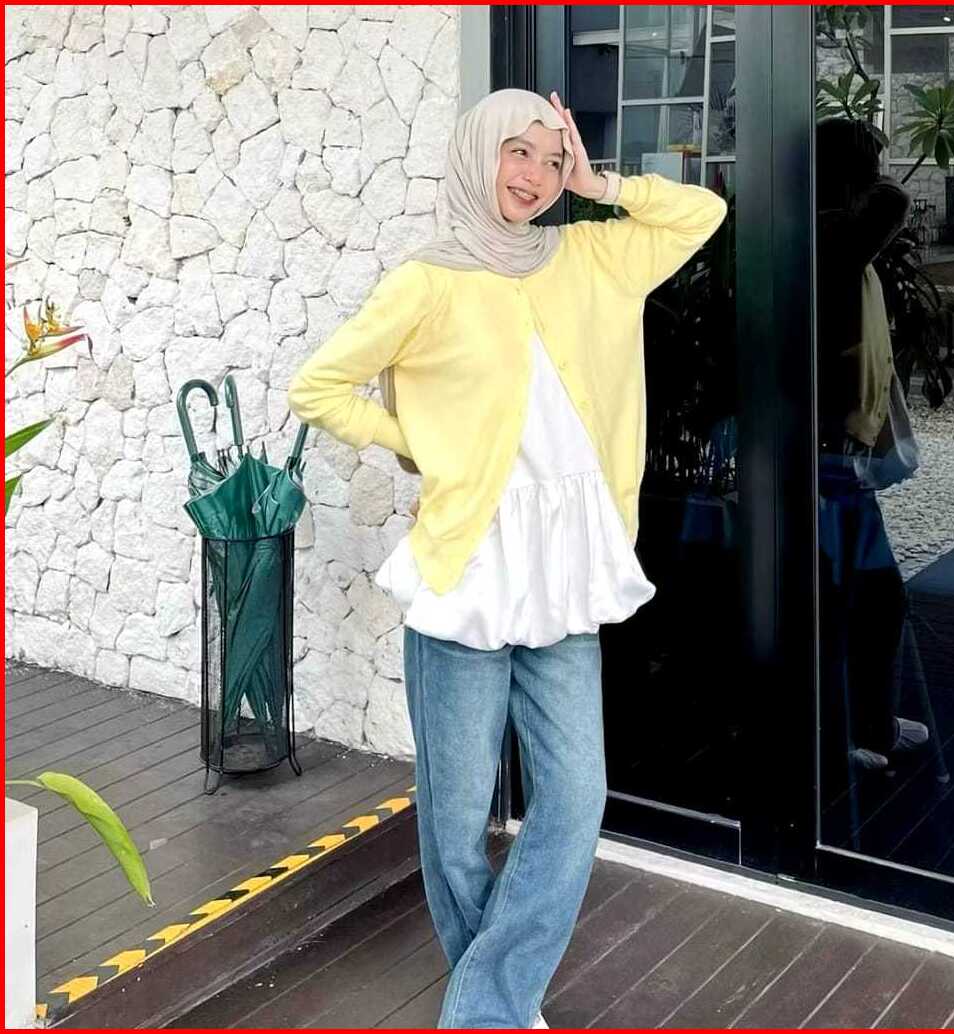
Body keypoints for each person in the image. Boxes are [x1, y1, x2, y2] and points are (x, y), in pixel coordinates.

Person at [288, 88, 727, 1029]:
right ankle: (495, 1005)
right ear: (477, 154)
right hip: (470, 572)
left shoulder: (593, 256)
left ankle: (486, 1002)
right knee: (455, 816)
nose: (533, 175)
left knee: (576, 796)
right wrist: (419, 444)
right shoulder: (427, 280)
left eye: (550, 156)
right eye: (515, 152)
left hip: (565, 574)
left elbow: (702, 212)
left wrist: (603, 185)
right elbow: (317, 386)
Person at [815, 117, 929, 774]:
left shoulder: (825, 230)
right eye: (870, 164)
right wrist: (864, 175)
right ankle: (843, 742)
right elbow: (892, 201)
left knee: (868, 598)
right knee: (857, 600)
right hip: (827, 453)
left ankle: (866, 728)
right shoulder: (830, 233)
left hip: (835, 453)